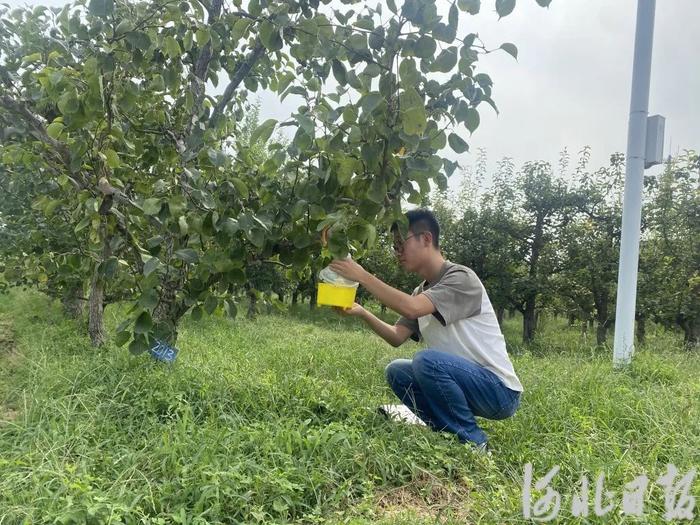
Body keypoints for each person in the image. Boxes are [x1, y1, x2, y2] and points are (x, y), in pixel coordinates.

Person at [329, 209, 523, 451]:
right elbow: (397, 336)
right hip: (464, 382)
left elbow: (411, 309)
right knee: (397, 371)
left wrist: (363, 276)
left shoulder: (461, 278)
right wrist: (362, 312)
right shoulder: (421, 292)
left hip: (498, 391)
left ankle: (474, 442)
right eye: (394, 246)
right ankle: (445, 431)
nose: (397, 252)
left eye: (402, 243)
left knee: (426, 361)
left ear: (426, 239)